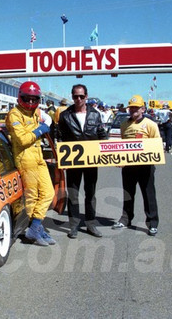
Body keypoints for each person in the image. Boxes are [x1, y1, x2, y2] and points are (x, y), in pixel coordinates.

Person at [5, 81, 55, 246]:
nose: (32, 102)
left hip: (38, 156)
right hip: (25, 157)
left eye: (35, 99)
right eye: (28, 98)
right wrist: (40, 130)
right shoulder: (14, 114)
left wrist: (45, 124)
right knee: (33, 196)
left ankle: (35, 227)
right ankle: (35, 229)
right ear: (21, 97)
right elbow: (22, 139)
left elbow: (49, 119)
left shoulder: (35, 112)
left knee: (49, 193)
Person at [57, 84, 107, 239]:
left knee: (90, 194)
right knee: (73, 194)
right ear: (72, 97)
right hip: (73, 162)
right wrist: (58, 154)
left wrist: (109, 152)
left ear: (86, 96)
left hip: (91, 161)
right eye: (75, 96)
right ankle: (73, 226)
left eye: (81, 96)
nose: (78, 99)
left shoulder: (95, 114)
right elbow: (59, 137)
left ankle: (91, 224)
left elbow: (102, 134)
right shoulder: (65, 115)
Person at [112, 95, 160, 236]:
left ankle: (152, 223)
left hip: (145, 166)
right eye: (131, 107)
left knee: (148, 194)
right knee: (128, 193)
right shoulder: (124, 125)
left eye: (136, 108)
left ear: (142, 109)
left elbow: (156, 145)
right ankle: (126, 219)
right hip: (128, 166)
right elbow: (122, 145)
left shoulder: (150, 125)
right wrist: (120, 159)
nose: (133, 110)